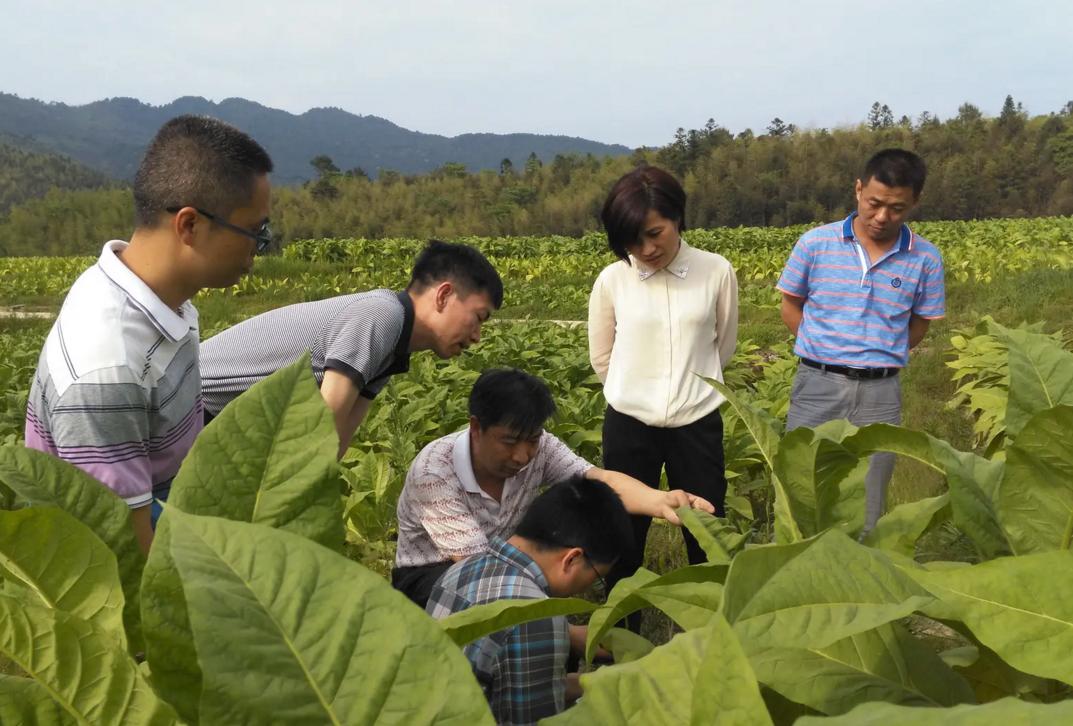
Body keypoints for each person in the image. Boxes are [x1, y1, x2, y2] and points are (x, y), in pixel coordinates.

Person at [24, 115, 274, 552]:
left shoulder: (154, 293)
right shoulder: (108, 370)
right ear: (190, 226)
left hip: (167, 503)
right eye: (254, 232)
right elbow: (125, 552)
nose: (260, 246)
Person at [393, 367, 714, 608]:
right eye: (508, 441)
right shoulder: (435, 470)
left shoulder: (541, 447)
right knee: (520, 614)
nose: (522, 456)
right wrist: (565, 633)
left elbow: (598, 478)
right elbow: (476, 572)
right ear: (476, 427)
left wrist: (659, 501)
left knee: (535, 604)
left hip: (499, 561)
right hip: (431, 575)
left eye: (531, 440)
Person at [587, 165, 738, 625]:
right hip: (630, 424)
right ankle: (619, 631)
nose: (647, 249)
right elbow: (602, 355)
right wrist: (638, 392)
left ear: (678, 217)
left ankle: (711, 628)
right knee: (623, 532)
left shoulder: (716, 271)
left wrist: (685, 390)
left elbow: (723, 345)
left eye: (655, 233)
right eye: (633, 240)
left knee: (706, 530)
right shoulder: (612, 281)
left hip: (697, 422)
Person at [200, 240, 503, 458]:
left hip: (223, 424)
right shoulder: (381, 314)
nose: (477, 335)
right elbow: (326, 419)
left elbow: (337, 442)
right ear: (444, 295)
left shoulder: (396, 346)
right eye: (478, 317)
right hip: (187, 406)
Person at [776, 149, 945, 535]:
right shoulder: (815, 244)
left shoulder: (926, 259)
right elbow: (790, 304)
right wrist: (822, 348)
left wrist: (883, 352)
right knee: (803, 490)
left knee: (870, 500)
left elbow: (920, 323)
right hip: (817, 385)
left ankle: (858, 583)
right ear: (858, 190)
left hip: (880, 392)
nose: (883, 217)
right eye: (875, 203)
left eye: (897, 208)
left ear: (914, 202)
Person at [426, 475, 632, 725]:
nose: (589, 588)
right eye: (597, 577)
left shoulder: (460, 570)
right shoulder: (536, 616)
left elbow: (508, 690)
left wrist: (595, 683)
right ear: (572, 559)